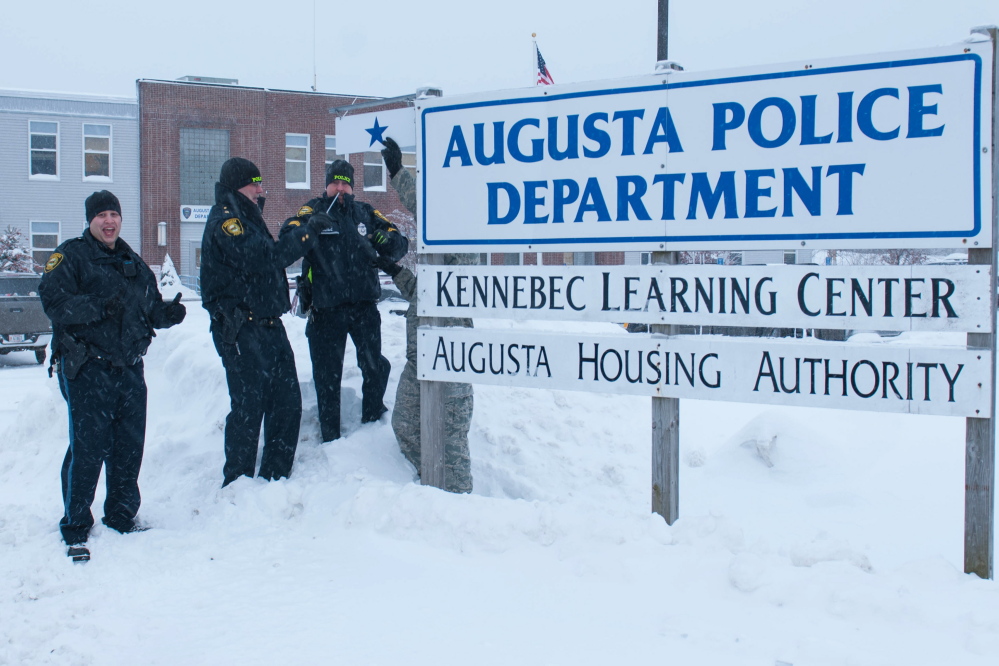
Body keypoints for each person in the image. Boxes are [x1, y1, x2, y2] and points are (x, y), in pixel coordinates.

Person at [40, 190, 187, 562]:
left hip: (130, 369)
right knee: (88, 448)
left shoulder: (131, 261)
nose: (109, 221)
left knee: (127, 447)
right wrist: (97, 307)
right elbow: (53, 302)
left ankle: (122, 515)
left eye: (114, 215)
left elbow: (148, 307)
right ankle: (76, 525)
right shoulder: (72, 256)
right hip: (88, 369)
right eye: (102, 215)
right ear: (91, 220)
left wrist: (166, 315)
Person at [200, 157, 327, 487]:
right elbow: (265, 257)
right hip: (241, 329)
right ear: (237, 186)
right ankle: (238, 484)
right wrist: (306, 232)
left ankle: (275, 480)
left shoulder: (248, 218)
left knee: (287, 404)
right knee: (248, 406)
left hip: (269, 325)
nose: (260, 189)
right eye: (254, 183)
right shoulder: (228, 222)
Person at [282, 160, 408, 442]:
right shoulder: (312, 210)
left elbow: (398, 242)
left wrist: (385, 240)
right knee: (327, 378)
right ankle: (330, 438)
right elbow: (286, 237)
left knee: (374, 367)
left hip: (364, 308)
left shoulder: (364, 212)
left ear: (352, 186)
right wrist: (310, 229)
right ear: (326, 185)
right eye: (335, 183)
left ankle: (372, 423)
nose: (340, 189)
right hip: (326, 311)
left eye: (345, 183)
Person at [377, 137, 476, 493]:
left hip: (451, 359)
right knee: (405, 424)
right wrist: (394, 270)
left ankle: (460, 505)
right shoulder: (437, 257)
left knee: (452, 445)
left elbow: (428, 208)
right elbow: (425, 296)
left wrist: (398, 173)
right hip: (420, 362)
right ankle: (431, 490)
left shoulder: (463, 239)